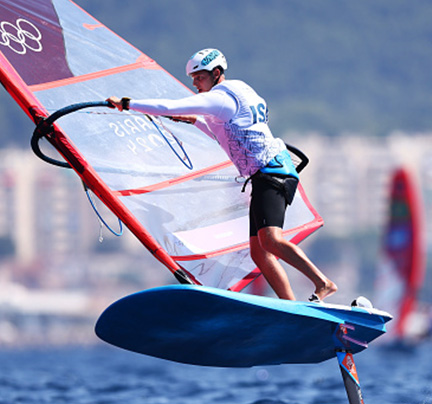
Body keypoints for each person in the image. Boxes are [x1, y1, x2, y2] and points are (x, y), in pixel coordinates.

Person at [107, 48, 337, 302]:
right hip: (269, 174)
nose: (194, 83)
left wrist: (127, 104)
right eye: (193, 78)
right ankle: (290, 305)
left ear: (216, 74)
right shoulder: (239, 92)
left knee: (271, 241)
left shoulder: (219, 99)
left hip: (272, 173)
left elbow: (167, 106)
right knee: (259, 252)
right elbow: (226, 133)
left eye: (199, 77)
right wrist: (193, 121)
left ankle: (322, 282)